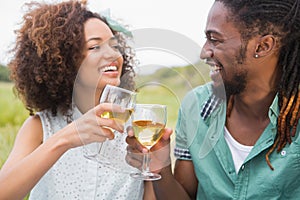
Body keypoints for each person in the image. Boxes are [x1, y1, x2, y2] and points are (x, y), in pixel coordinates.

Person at [126, 0, 300, 199]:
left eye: (215, 40)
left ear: (262, 46)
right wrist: (160, 168)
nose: (203, 52)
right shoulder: (195, 107)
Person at [0, 0, 152, 199]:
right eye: (95, 47)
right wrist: (65, 139)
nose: (113, 55)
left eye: (114, 46)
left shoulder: (138, 128)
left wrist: (158, 164)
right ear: (63, 60)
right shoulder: (41, 126)